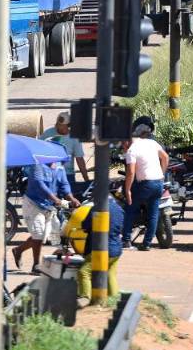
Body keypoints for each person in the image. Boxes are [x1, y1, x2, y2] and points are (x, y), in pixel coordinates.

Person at [13, 158, 77, 270]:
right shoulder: (38, 166)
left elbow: (64, 185)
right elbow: (40, 185)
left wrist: (72, 199)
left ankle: (18, 250)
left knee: (48, 235)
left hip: (49, 206)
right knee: (38, 233)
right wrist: (55, 198)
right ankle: (36, 265)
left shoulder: (59, 167)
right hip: (33, 203)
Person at [64, 196, 126, 299]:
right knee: (110, 273)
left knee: (84, 272)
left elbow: (85, 225)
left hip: (101, 249)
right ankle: (114, 299)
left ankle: (85, 298)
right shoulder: (119, 209)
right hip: (116, 249)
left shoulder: (97, 208)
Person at [121, 122, 169, 251]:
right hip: (158, 182)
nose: (122, 147)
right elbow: (165, 157)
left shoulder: (132, 150)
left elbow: (130, 172)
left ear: (127, 141)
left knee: (130, 209)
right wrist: (162, 174)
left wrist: (127, 190)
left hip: (145, 184)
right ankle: (146, 243)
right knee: (153, 213)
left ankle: (126, 240)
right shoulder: (151, 142)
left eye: (122, 144)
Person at [42, 112, 90, 188]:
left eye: (61, 126)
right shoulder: (47, 133)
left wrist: (86, 180)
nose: (58, 127)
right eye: (57, 125)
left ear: (68, 126)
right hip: (49, 172)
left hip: (67, 174)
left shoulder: (75, 138)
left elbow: (79, 159)